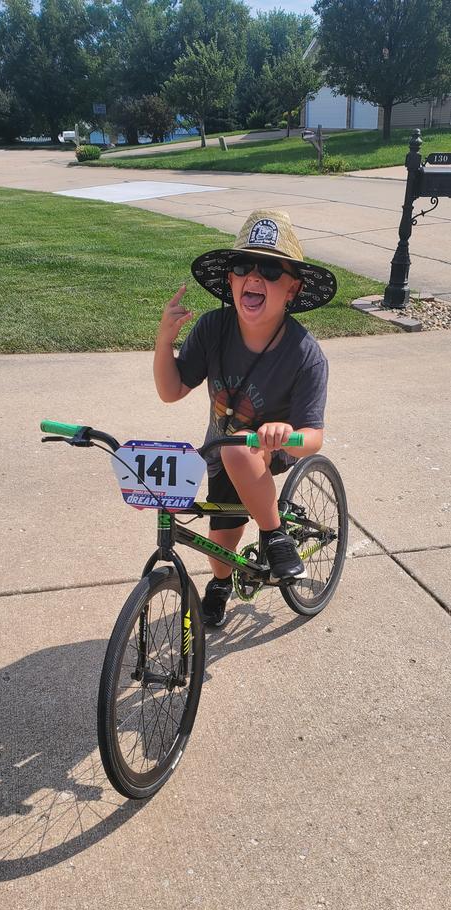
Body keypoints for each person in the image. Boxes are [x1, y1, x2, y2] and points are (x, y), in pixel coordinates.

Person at [154, 208, 337, 626]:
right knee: (222, 538)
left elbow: (314, 437)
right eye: (243, 267)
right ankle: (219, 584)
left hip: (275, 448)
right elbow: (171, 391)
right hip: (225, 446)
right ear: (231, 280)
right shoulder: (213, 328)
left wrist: (286, 432)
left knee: (239, 451)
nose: (255, 277)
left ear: (292, 289)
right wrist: (165, 340)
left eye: (271, 270)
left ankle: (275, 536)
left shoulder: (305, 354)